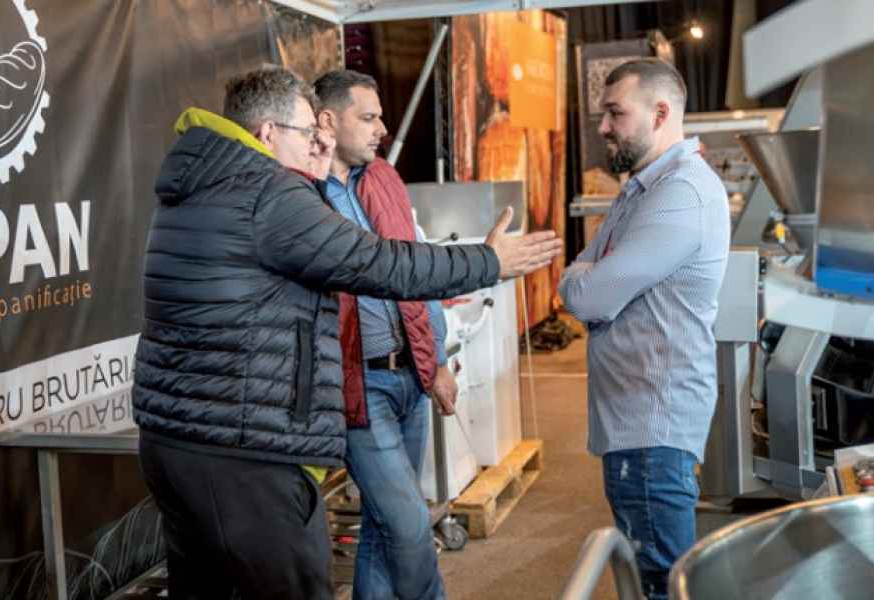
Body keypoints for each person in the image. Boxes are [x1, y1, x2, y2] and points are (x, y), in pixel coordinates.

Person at [133, 66, 558, 600]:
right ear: (268, 133)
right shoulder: (267, 192)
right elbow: (377, 263)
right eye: (307, 133)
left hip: (182, 439)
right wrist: (487, 262)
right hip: (245, 453)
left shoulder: (203, 182)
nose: (316, 145)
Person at [313, 69, 563, 600]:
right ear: (327, 122)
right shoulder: (304, 196)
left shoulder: (383, 178)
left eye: (382, 117)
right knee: (408, 525)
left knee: (385, 525)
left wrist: (437, 362)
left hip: (408, 377)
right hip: (359, 386)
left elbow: (416, 270)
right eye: (369, 117)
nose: (382, 129)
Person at [558, 58, 730, 600]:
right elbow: (579, 274)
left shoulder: (680, 194)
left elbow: (588, 294)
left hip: (652, 425)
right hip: (635, 421)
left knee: (659, 581)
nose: (603, 127)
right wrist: (584, 278)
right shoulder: (643, 189)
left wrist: (584, 279)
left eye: (616, 113)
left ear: (659, 113)